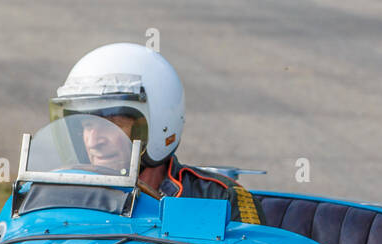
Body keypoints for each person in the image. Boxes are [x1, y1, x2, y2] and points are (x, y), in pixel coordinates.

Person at [51, 43, 266, 224]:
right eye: (87, 125)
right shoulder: (59, 197)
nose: (93, 141)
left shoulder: (222, 200)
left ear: (160, 125)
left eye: (113, 124)